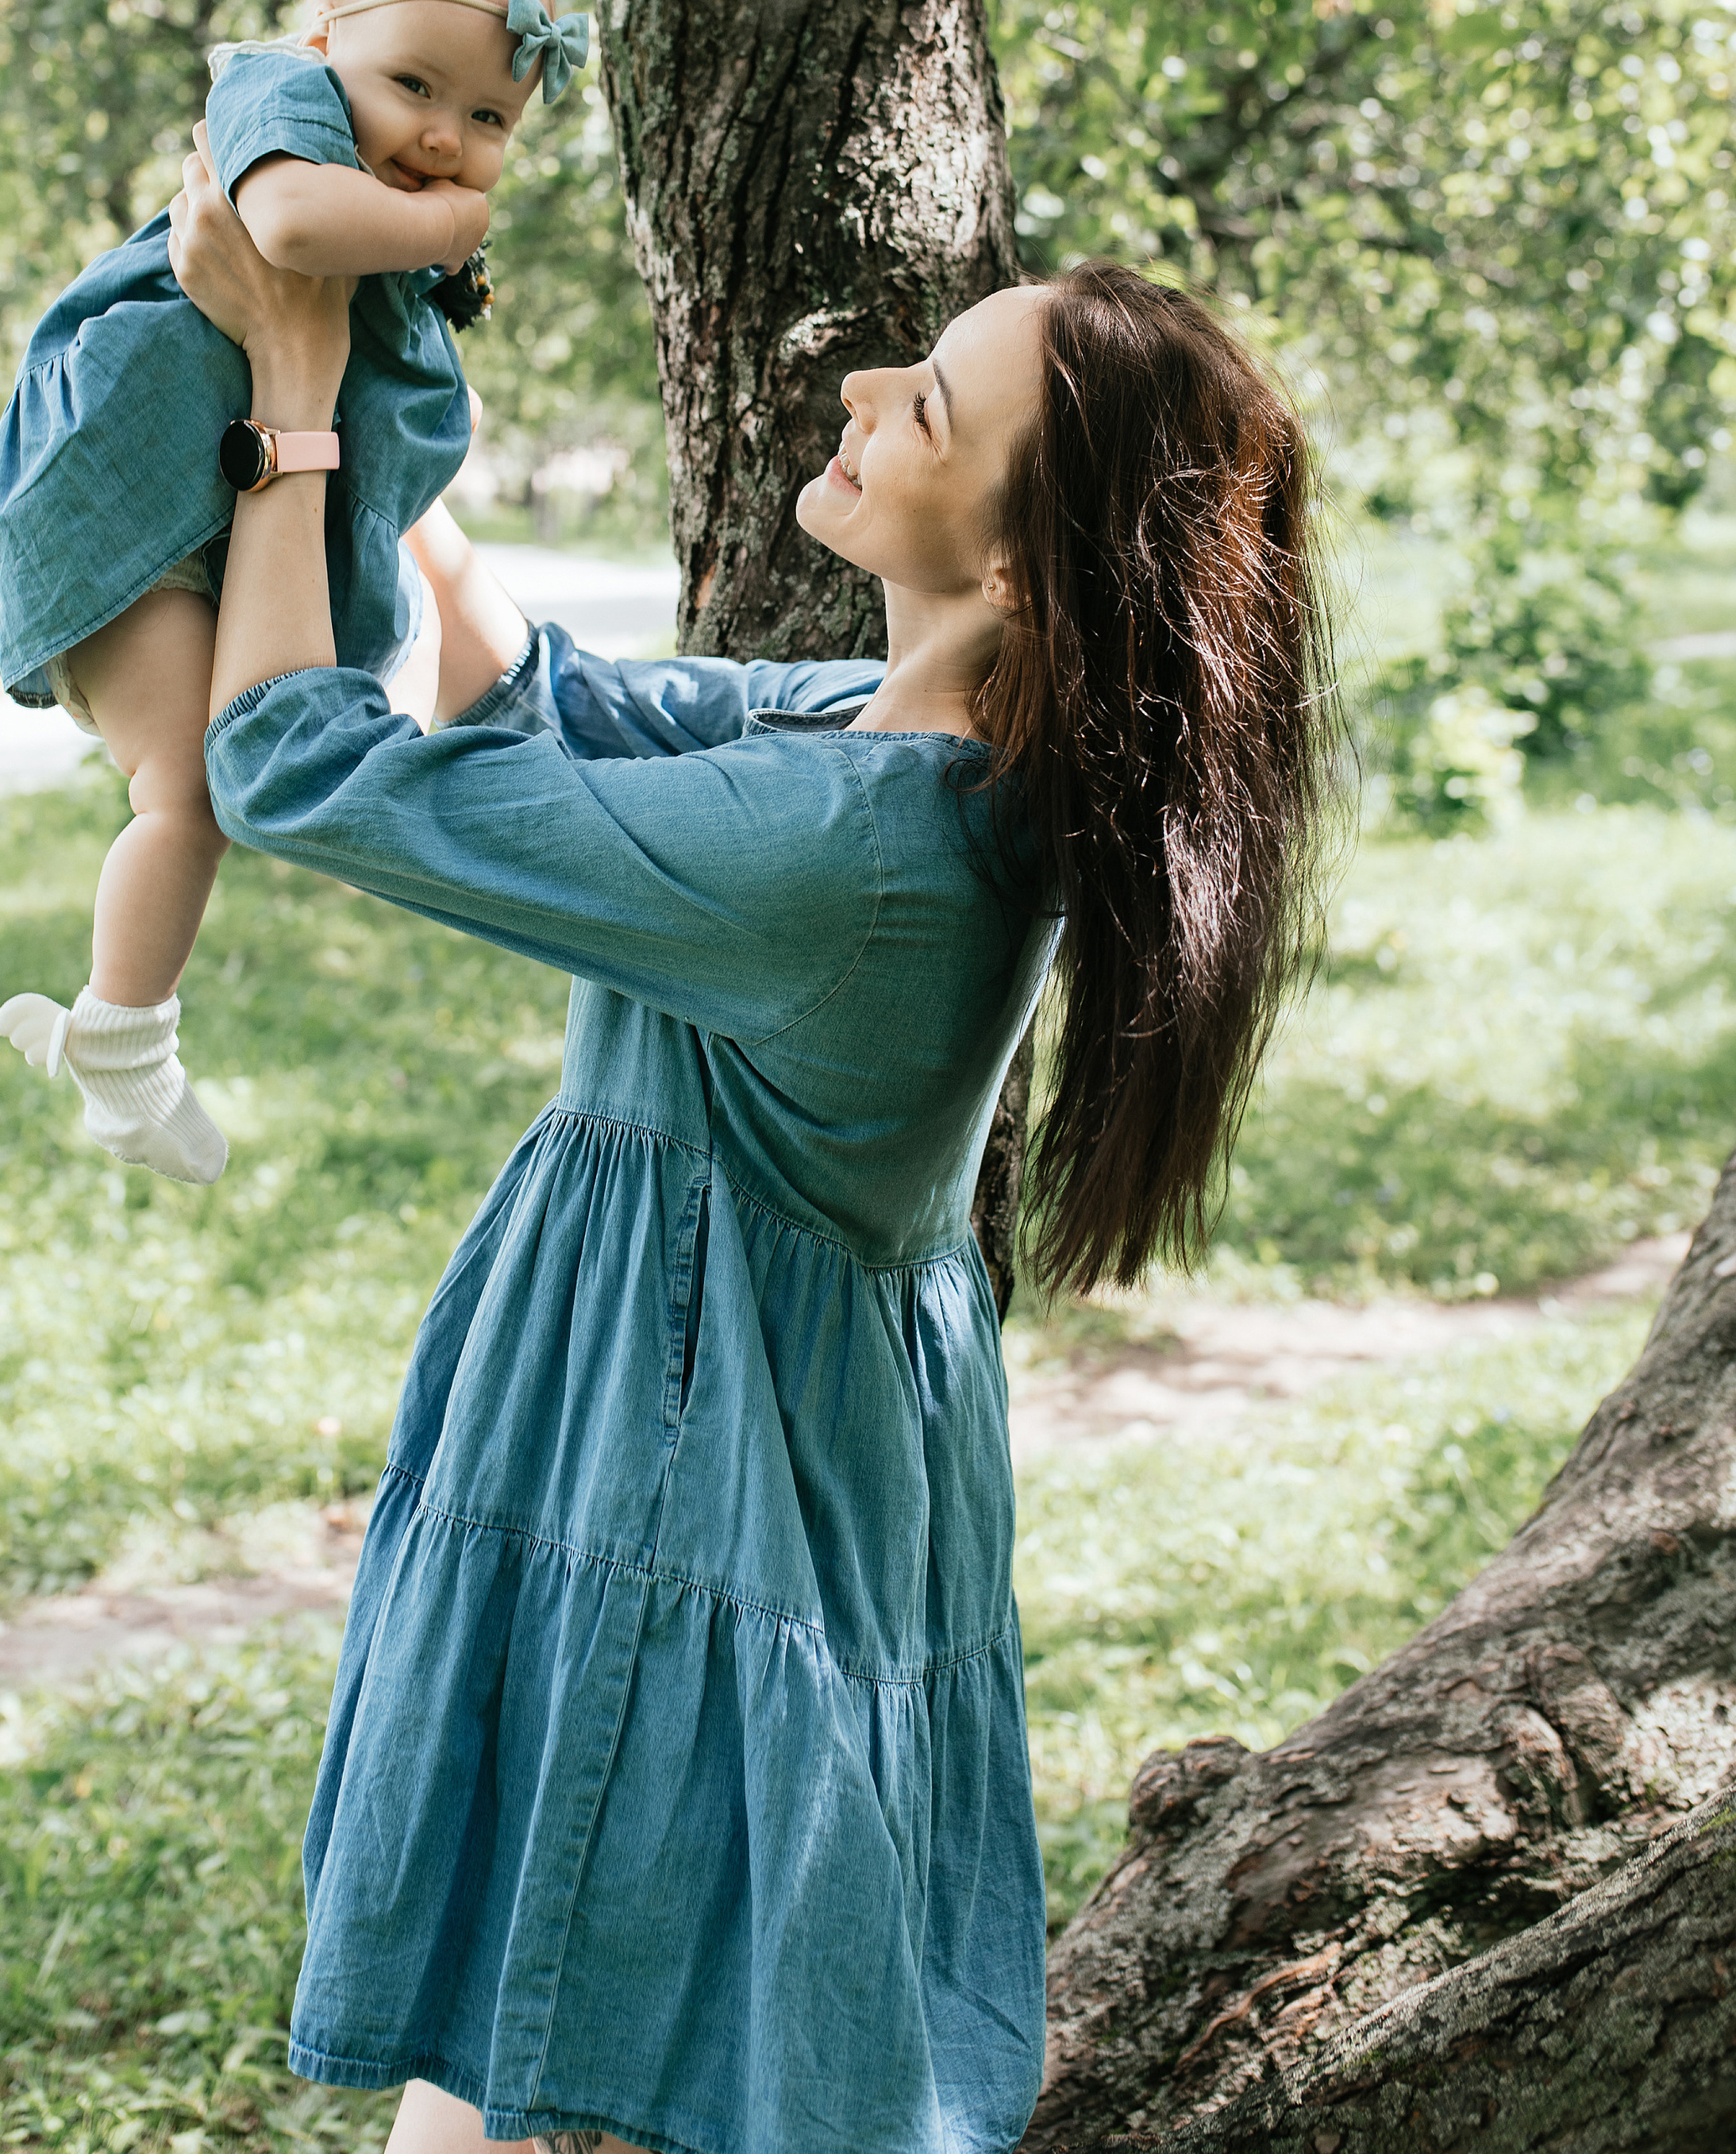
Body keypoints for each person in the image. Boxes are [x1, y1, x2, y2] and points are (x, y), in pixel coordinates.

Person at [169, 131, 1337, 2154]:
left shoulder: (849, 857)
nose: (863, 398)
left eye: (928, 407)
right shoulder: (917, 748)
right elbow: (558, 696)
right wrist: (373, 392)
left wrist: (284, 413)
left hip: (681, 1434)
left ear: (1009, 568)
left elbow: (285, 765)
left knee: (609, 1927)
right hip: (737, 1402)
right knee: (572, 1940)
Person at [0, 0, 587, 1182]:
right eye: (414, 85)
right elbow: (297, 225)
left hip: (192, 512)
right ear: (325, 42)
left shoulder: (390, 205)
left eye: (488, 116)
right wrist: (454, 217)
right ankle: (123, 1047)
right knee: (188, 790)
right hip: (111, 497)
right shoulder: (279, 97)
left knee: (246, 766)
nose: (440, 137)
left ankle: (116, 1030)